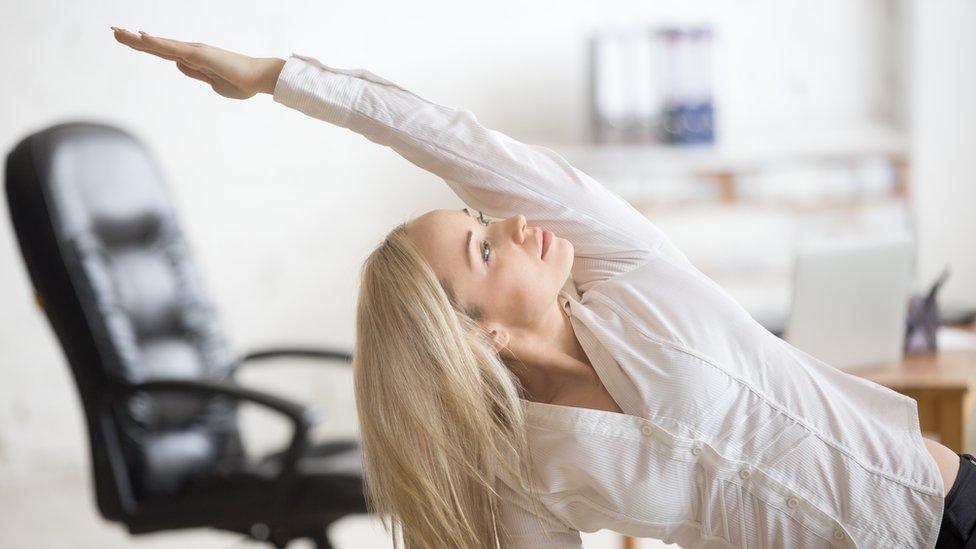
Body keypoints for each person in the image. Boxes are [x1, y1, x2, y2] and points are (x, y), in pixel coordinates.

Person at [112, 27, 972, 548]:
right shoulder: (521, 463)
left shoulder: (629, 273)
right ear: (478, 334)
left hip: (950, 505)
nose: (516, 222)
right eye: (485, 247)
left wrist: (275, 79)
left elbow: (453, 141)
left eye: (482, 220)